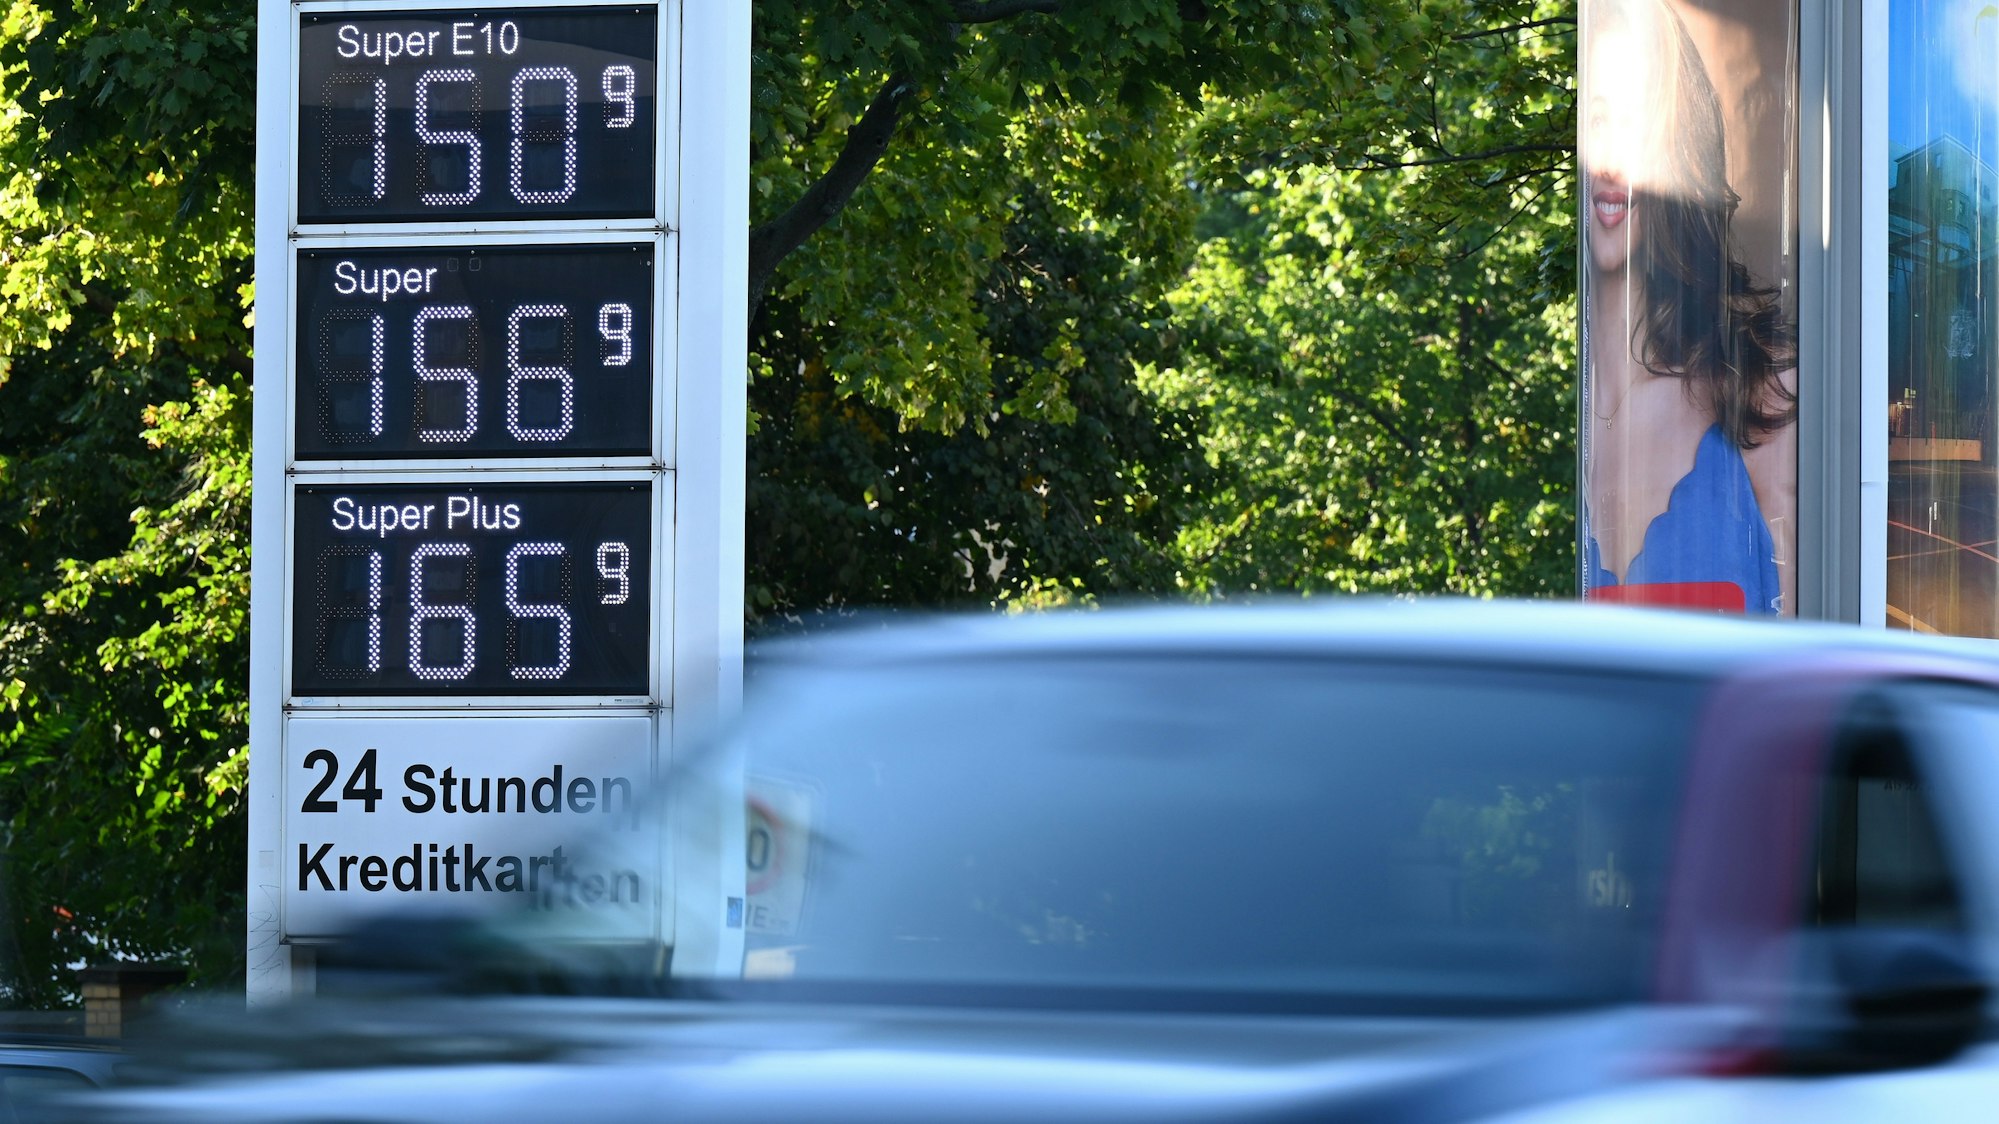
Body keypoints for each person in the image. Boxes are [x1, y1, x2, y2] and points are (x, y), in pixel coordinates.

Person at [1580, 0, 1798, 615]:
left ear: (1675, 150)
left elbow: (1809, 636)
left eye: (1637, 126)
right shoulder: (1570, 406)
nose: (1611, 161)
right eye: (1597, 121)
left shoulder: (1756, 383)